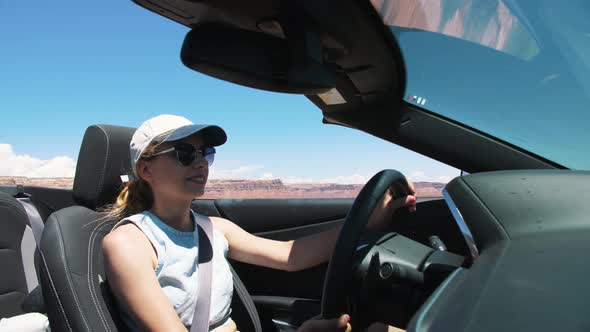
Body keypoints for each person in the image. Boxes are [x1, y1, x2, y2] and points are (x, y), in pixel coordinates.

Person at [102, 114, 417, 332]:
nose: (200, 162)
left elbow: (292, 256)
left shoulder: (214, 229)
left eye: (204, 152)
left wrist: (370, 221)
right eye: (185, 153)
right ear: (146, 171)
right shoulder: (129, 244)